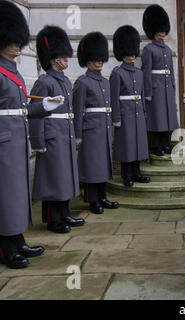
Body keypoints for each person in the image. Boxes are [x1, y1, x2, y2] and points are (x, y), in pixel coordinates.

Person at [0, 0, 64, 268]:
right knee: (6, 194)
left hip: (16, 140)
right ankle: (6, 248)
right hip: (4, 141)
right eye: (12, 40)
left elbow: (21, 109)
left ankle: (17, 239)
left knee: (17, 193)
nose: (18, 45)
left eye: (19, 40)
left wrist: (44, 107)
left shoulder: (12, 72)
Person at [29, 25, 85, 234]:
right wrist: (38, 142)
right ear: (53, 59)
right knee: (53, 179)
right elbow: (35, 113)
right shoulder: (44, 82)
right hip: (52, 137)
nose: (66, 59)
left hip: (65, 135)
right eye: (62, 56)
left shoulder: (64, 82)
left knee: (65, 177)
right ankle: (53, 219)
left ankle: (64, 213)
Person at [73, 32, 119, 214]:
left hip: (104, 128)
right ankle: (92, 200)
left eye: (101, 58)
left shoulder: (105, 82)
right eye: (95, 58)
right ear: (88, 60)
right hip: (90, 130)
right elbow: (77, 111)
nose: (100, 61)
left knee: (103, 164)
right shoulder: (82, 82)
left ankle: (102, 196)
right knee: (92, 166)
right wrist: (77, 135)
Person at [110, 25, 151, 187]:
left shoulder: (139, 73)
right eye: (128, 53)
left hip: (137, 113)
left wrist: (144, 111)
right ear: (123, 54)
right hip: (125, 113)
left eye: (133, 52)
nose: (132, 55)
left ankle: (137, 172)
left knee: (139, 144)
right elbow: (114, 98)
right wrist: (116, 118)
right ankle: (126, 175)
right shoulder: (117, 73)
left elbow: (140, 95)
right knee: (126, 145)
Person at [142, 4, 179, 156]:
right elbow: (146, 72)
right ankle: (156, 146)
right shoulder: (149, 49)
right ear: (154, 31)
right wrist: (148, 92)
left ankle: (165, 144)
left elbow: (171, 71)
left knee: (168, 118)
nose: (162, 33)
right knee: (157, 118)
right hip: (156, 88)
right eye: (159, 31)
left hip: (166, 87)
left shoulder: (168, 50)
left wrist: (172, 87)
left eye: (163, 30)